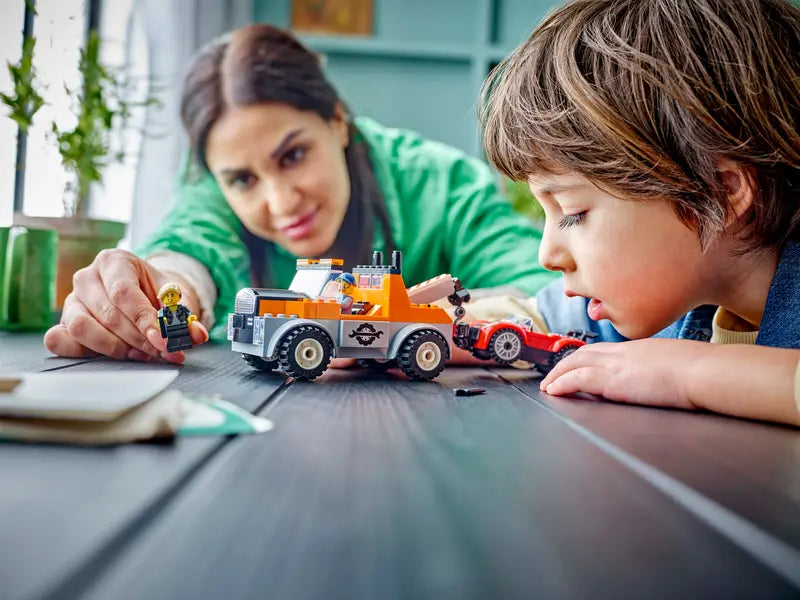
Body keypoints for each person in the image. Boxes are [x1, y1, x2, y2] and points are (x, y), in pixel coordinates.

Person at [43, 23, 557, 364]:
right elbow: (188, 251)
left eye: (292, 156)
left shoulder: (441, 183)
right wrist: (156, 293)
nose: (282, 202)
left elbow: (543, 288)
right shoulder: (210, 193)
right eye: (243, 180)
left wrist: (420, 325)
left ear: (336, 121)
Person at [478, 0, 800, 426]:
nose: (549, 255)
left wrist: (690, 373)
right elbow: (536, 320)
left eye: (573, 213)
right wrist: (426, 330)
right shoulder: (677, 285)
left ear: (721, 194)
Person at [156, 283, 197, 352]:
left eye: (172, 295)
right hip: (170, 328)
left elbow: (188, 313)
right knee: (172, 340)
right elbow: (159, 319)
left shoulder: (182, 308)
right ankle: (173, 348)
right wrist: (162, 321)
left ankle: (186, 345)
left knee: (185, 338)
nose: (170, 298)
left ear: (179, 296)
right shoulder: (163, 311)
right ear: (162, 299)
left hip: (182, 326)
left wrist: (191, 317)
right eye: (167, 296)